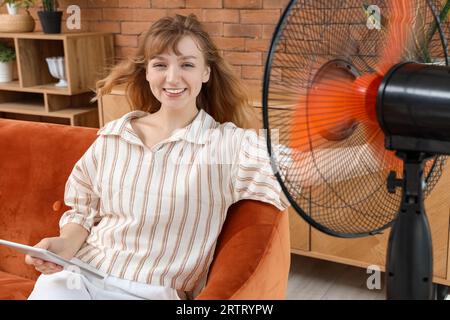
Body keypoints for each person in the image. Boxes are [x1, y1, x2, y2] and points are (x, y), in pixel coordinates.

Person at [25, 14, 291, 300]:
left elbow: (303, 168)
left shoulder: (227, 144)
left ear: (206, 72)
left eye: (187, 64)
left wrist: (342, 117)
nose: (173, 78)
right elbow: (84, 210)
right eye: (160, 65)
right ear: (147, 72)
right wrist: (65, 244)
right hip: (78, 277)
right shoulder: (114, 136)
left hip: (150, 292)